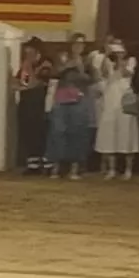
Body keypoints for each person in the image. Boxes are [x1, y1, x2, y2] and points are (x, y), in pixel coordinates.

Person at [45, 38, 94, 182]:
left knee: (77, 133)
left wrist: (80, 69)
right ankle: (56, 165)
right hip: (61, 98)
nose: (78, 46)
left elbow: (93, 79)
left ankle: (74, 167)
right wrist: (67, 65)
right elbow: (54, 73)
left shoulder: (87, 61)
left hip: (79, 98)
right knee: (58, 132)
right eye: (76, 43)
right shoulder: (62, 58)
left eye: (81, 44)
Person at [95, 36, 139, 180]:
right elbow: (101, 74)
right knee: (109, 135)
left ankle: (128, 169)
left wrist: (120, 60)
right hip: (110, 99)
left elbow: (127, 73)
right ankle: (111, 169)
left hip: (125, 100)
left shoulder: (131, 60)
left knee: (127, 134)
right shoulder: (106, 60)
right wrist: (108, 56)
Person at [13, 38, 48, 176]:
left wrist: (22, 86)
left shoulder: (45, 64)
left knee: (38, 134)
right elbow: (19, 83)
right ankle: (32, 164)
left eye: (30, 51)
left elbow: (35, 83)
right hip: (27, 103)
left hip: (39, 104)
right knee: (27, 133)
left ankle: (41, 164)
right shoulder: (26, 65)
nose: (27, 54)